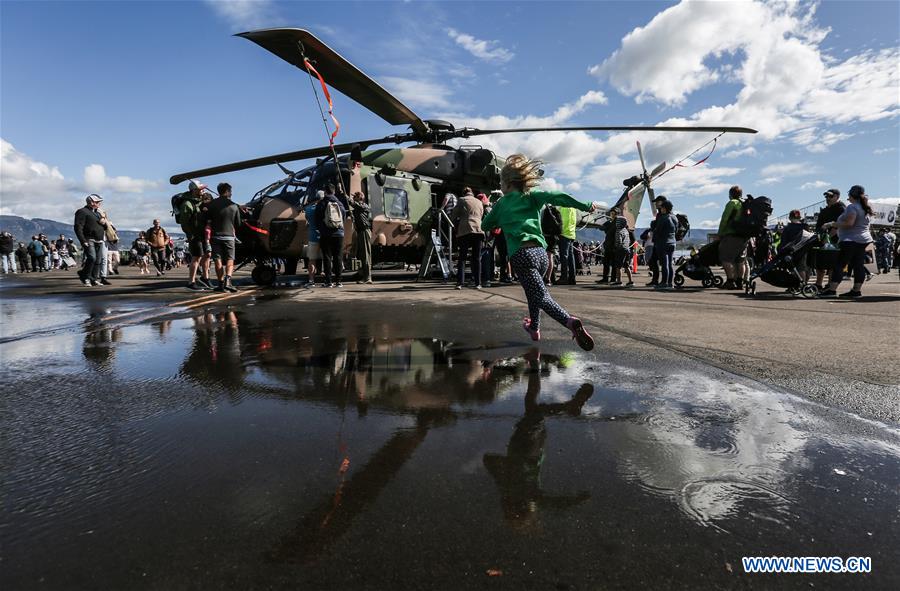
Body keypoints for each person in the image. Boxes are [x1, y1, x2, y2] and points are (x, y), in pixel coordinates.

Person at [481, 154, 597, 350]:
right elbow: (558, 196)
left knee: (541, 297)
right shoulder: (532, 197)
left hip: (522, 255)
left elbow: (485, 224)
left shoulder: (502, 203)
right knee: (533, 292)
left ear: (508, 183)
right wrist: (584, 205)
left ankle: (569, 321)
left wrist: (495, 215)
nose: (500, 186)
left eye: (501, 182)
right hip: (541, 255)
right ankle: (534, 328)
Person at [819, 185, 874, 298]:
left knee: (839, 264)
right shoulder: (865, 207)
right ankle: (856, 291)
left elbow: (849, 223)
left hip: (850, 239)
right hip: (863, 239)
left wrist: (831, 224)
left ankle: (832, 290)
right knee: (858, 265)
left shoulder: (852, 207)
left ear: (851, 195)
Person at [202, 182, 242, 292]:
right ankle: (228, 281)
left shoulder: (211, 205)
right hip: (229, 237)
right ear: (227, 191)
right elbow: (238, 224)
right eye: (230, 191)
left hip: (215, 237)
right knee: (230, 259)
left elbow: (206, 219)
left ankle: (220, 284)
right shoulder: (234, 206)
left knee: (217, 260)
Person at [177, 180, 214, 291]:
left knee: (207, 255)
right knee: (196, 257)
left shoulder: (199, 201)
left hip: (203, 234)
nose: (203, 190)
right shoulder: (187, 204)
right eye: (201, 189)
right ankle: (191, 282)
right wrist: (191, 235)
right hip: (195, 235)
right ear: (194, 190)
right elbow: (184, 223)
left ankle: (205, 278)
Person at [314, 183, 348, 287]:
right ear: (334, 191)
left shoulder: (322, 203)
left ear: (325, 191)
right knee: (338, 257)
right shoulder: (340, 203)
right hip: (339, 234)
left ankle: (328, 281)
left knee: (327, 257)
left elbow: (317, 219)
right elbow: (344, 217)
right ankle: (339, 281)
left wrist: (322, 229)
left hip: (326, 234)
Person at [452, 187, 485, 289]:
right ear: (472, 193)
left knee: (462, 257)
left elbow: (454, 214)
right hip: (478, 230)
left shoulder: (462, 200)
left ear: (464, 193)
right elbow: (481, 214)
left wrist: (454, 222)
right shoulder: (479, 202)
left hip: (465, 230)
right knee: (476, 258)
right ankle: (478, 283)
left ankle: (460, 283)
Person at [717, 185, 748, 290]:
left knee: (725, 259)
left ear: (730, 194)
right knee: (740, 260)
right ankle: (740, 282)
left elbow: (725, 219)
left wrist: (720, 233)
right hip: (744, 236)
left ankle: (730, 281)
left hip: (732, 234)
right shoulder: (745, 204)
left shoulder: (732, 203)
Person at [74, 194, 107, 286]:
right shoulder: (82, 212)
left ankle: (93, 278)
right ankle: (86, 277)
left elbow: (104, 227)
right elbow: (78, 227)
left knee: (98, 261)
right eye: (97, 202)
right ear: (91, 202)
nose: (99, 203)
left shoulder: (98, 213)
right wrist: (83, 240)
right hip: (89, 239)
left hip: (99, 239)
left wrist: (103, 223)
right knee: (92, 258)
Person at [349, 191, 373, 284]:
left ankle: (368, 277)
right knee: (360, 254)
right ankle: (362, 273)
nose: (354, 197)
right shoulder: (358, 207)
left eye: (356, 196)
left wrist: (344, 194)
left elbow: (354, 204)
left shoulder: (363, 206)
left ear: (360, 198)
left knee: (366, 255)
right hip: (360, 231)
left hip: (364, 231)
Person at [653, 199, 678, 290]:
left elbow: (657, 230)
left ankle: (664, 282)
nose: (661, 209)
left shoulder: (663, 217)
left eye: (662, 207)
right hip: (672, 242)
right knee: (670, 264)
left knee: (664, 264)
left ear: (665, 208)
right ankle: (670, 283)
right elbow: (676, 230)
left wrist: (654, 238)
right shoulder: (674, 217)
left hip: (663, 242)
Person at [304, 190, 324, 287]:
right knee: (327, 258)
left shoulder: (308, 209)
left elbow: (307, 220)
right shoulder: (324, 207)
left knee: (312, 259)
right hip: (324, 236)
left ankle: (311, 280)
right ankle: (328, 280)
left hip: (312, 236)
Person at [558, 205, 577, 285]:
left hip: (564, 234)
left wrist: (559, 231)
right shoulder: (573, 209)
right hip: (571, 234)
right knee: (571, 257)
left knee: (564, 257)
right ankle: (572, 278)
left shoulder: (563, 208)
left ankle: (564, 277)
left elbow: (563, 221)